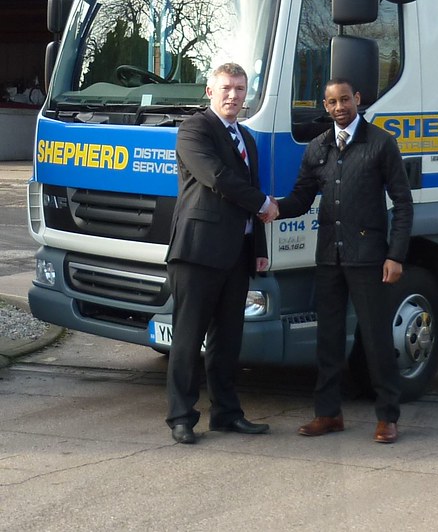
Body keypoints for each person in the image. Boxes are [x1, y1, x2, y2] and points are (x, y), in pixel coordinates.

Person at [276, 78, 413, 444]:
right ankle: (328, 413)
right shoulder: (318, 147)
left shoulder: (381, 143)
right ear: (325, 105)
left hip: (369, 258)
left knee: (376, 339)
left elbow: (402, 202)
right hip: (329, 257)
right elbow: (302, 198)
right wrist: (272, 208)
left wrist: (395, 255)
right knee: (329, 339)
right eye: (332, 102)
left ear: (358, 99)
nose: (339, 108)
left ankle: (387, 417)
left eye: (345, 100)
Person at [164, 62, 279, 444]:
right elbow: (217, 177)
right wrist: (264, 202)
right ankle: (181, 417)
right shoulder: (195, 129)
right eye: (227, 87)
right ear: (209, 92)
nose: (234, 95)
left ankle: (227, 414)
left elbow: (252, 190)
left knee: (228, 340)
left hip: (238, 253)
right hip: (198, 251)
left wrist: (259, 248)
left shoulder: (245, 137)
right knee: (187, 338)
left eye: (241, 89)